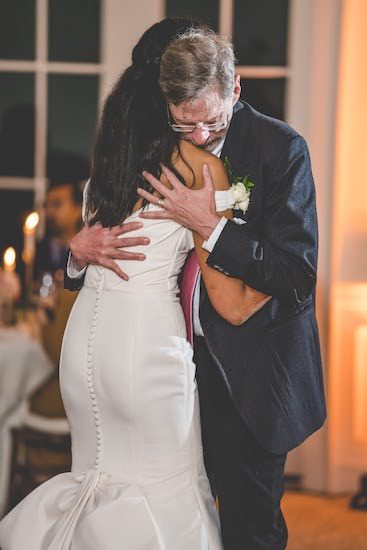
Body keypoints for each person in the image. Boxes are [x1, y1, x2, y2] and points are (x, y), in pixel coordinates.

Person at [0, 19, 270, 550]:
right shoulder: (199, 169)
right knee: (164, 493)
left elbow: (89, 260)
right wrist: (281, 284)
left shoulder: (107, 166)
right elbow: (227, 301)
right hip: (146, 349)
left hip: (85, 350)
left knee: (94, 482)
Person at [62, 20, 327, 550]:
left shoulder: (281, 151)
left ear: (234, 89)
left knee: (250, 530)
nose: (200, 136)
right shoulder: (153, 147)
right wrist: (76, 254)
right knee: (179, 512)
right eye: (185, 125)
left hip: (251, 376)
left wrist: (212, 227)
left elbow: (296, 276)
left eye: (209, 121)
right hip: (172, 369)